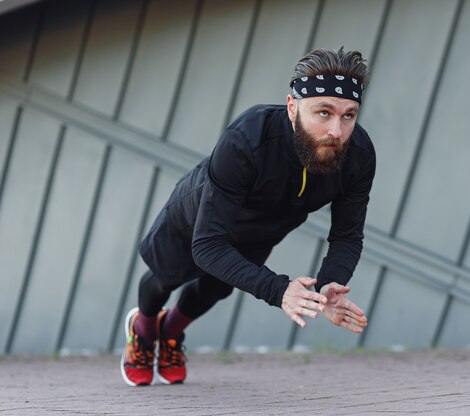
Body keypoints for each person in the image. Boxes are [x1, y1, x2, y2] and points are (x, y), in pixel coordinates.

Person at [121, 47, 376, 386]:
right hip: (197, 217)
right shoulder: (248, 137)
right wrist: (279, 290)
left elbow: (347, 235)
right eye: (324, 113)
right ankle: (143, 329)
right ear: (292, 107)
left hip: (260, 232)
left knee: (213, 291)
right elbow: (208, 246)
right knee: (164, 279)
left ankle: (169, 334)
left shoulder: (357, 155)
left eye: (348, 115)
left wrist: (330, 282)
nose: (336, 130)